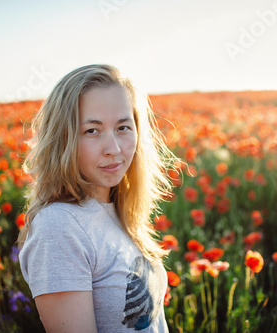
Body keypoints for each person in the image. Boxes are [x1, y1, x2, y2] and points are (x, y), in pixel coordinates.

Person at [17, 64, 177, 332]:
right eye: (92, 130)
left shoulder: (119, 212)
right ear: (63, 139)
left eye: (123, 127)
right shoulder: (59, 227)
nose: (113, 149)